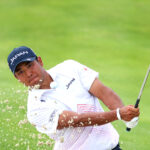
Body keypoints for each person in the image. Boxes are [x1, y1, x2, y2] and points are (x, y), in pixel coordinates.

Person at [7, 46, 140, 150]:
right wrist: (118, 114)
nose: (28, 73)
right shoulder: (35, 109)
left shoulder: (69, 68)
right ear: (17, 78)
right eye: (21, 72)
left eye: (30, 65)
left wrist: (126, 113)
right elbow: (78, 120)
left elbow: (103, 92)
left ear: (40, 61)